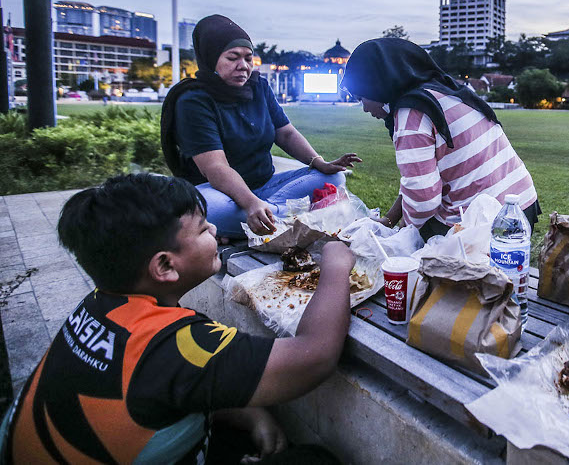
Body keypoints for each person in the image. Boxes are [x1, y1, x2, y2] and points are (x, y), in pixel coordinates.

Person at [0, 173, 355, 462]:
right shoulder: (180, 345)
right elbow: (315, 356)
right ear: (165, 265)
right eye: (203, 229)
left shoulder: (96, 307)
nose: (215, 230)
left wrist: (249, 412)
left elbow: (152, 392)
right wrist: (335, 265)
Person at [161, 15, 361, 239]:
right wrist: (250, 203)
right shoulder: (193, 100)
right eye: (233, 58)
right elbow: (216, 168)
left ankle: (269, 218)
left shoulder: (259, 87)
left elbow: (285, 133)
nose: (243, 66)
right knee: (212, 211)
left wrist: (319, 162)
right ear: (210, 59)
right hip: (218, 193)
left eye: (248, 58)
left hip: (267, 186)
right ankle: (290, 217)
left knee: (334, 179)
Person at [341, 38, 540, 240]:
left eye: (361, 98)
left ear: (377, 86)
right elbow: (416, 182)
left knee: (414, 245)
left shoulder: (411, 112)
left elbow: (423, 200)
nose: (365, 108)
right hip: (522, 205)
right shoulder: (443, 90)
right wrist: (389, 221)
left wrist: (400, 238)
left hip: (487, 224)